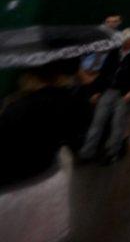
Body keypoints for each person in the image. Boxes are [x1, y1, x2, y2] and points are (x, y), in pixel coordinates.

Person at [0, 58, 89, 242]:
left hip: (17, 192)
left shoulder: (17, 108)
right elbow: (77, 133)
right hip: (50, 180)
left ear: (28, 76)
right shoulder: (69, 99)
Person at [80, 28, 130, 163]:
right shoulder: (115, 51)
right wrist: (96, 90)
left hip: (125, 92)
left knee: (118, 124)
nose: (123, 43)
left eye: (126, 41)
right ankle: (87, 152)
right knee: (97, 122)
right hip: (109, 89)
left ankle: (112, 152)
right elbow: (104, 71)